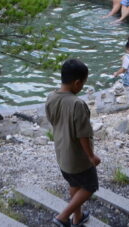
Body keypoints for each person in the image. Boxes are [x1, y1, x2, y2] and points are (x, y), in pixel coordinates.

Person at [46, 59, 100, 227]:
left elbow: (53, 121)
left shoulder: (51, 97)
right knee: (90, 186)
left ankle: (78, 218)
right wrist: (91, 156)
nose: (82, 87)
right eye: (83, 84)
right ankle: (62, 217)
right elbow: (83, 135)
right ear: (77, 83)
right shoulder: (77, 104)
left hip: (62, 154)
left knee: (74, 184)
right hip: (78, 159)